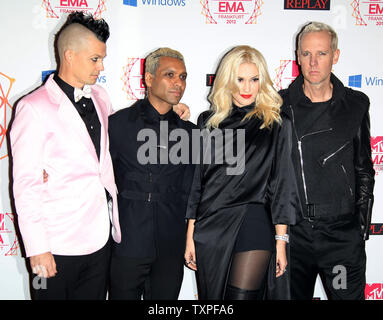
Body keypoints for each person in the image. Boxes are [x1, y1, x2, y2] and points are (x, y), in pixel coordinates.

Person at [10, 12, 121, 300]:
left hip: (99, 239)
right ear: (69, 56)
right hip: (54, 245)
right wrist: (37, 249)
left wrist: (172, 115)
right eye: (95, 59)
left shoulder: (100, 97)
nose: (101, 66)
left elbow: (118, 142)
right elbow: (25, 185)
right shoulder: (32, 108)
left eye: (102, 59)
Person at [184, 45, 299, 300]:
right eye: (240, 79)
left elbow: (283, 184)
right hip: (211, 225)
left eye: (254, 79)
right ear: (227, 80)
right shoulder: (207, 122)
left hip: (253, 220)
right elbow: (197, 183)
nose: (247, 88)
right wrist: (191, 234)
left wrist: (281, 240)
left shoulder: (277, 122)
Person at [279, 22, 375, 300]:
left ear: (335, 55)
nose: (313, 62)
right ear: (297, 56)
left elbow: (364, 167)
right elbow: (236, 120)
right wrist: (176, 113)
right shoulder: (279, 105)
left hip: (341, 237)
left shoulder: (356, 104)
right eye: (306, 53)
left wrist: (359, 227)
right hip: (294, 237)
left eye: (321, 54)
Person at [108, 47, 196, 300]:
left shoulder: (191, 133)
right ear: (148, 79)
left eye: (182, 76)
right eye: (170, 75)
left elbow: (194, 191)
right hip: (128, 242)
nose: (178, 83)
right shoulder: (118, 125)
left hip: (171, 244)